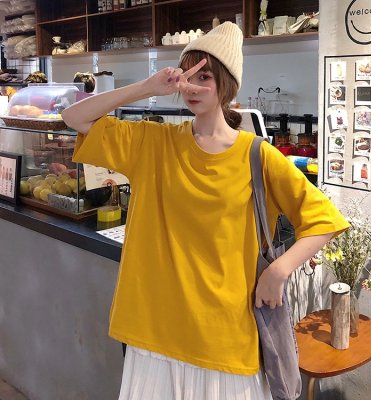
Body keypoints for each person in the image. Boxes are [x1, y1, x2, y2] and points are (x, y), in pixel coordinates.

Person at [62, 22, 349, 400]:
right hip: (155, 328)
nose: (192, 87)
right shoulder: (154, 142)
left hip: (224, 335)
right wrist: (148, 86)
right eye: (187, 75)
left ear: (227, 85)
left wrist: (278, 271)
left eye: (205, 77)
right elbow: (74, 118)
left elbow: (324, 220)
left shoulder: (257, 155)